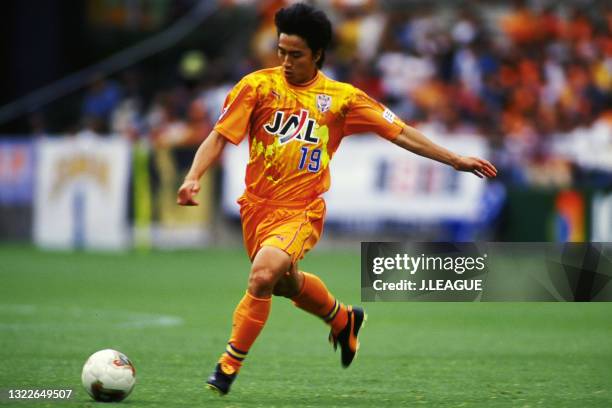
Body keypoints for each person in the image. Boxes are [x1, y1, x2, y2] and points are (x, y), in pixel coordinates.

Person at [177, 3, 497, 396]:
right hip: (256, 207)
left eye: (295, 54)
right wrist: (193, 176)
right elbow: (220, 136)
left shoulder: (342, 99)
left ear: (317, 54)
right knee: (282, 283)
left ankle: (227, 367)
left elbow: (400, 132)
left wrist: (455, 159)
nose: (286, 61)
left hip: (301, 210)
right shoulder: (256, 86)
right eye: (281, 51)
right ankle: (342, 318)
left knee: (262, 276)